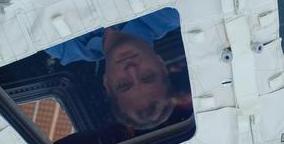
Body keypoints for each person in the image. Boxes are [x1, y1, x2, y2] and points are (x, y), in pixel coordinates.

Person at [43, 9, 183, 131]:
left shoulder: (61, 45)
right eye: (147, 76)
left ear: (107, 83)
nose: (131, 69)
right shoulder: (173, 11)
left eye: (124, 84)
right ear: (161, 64)